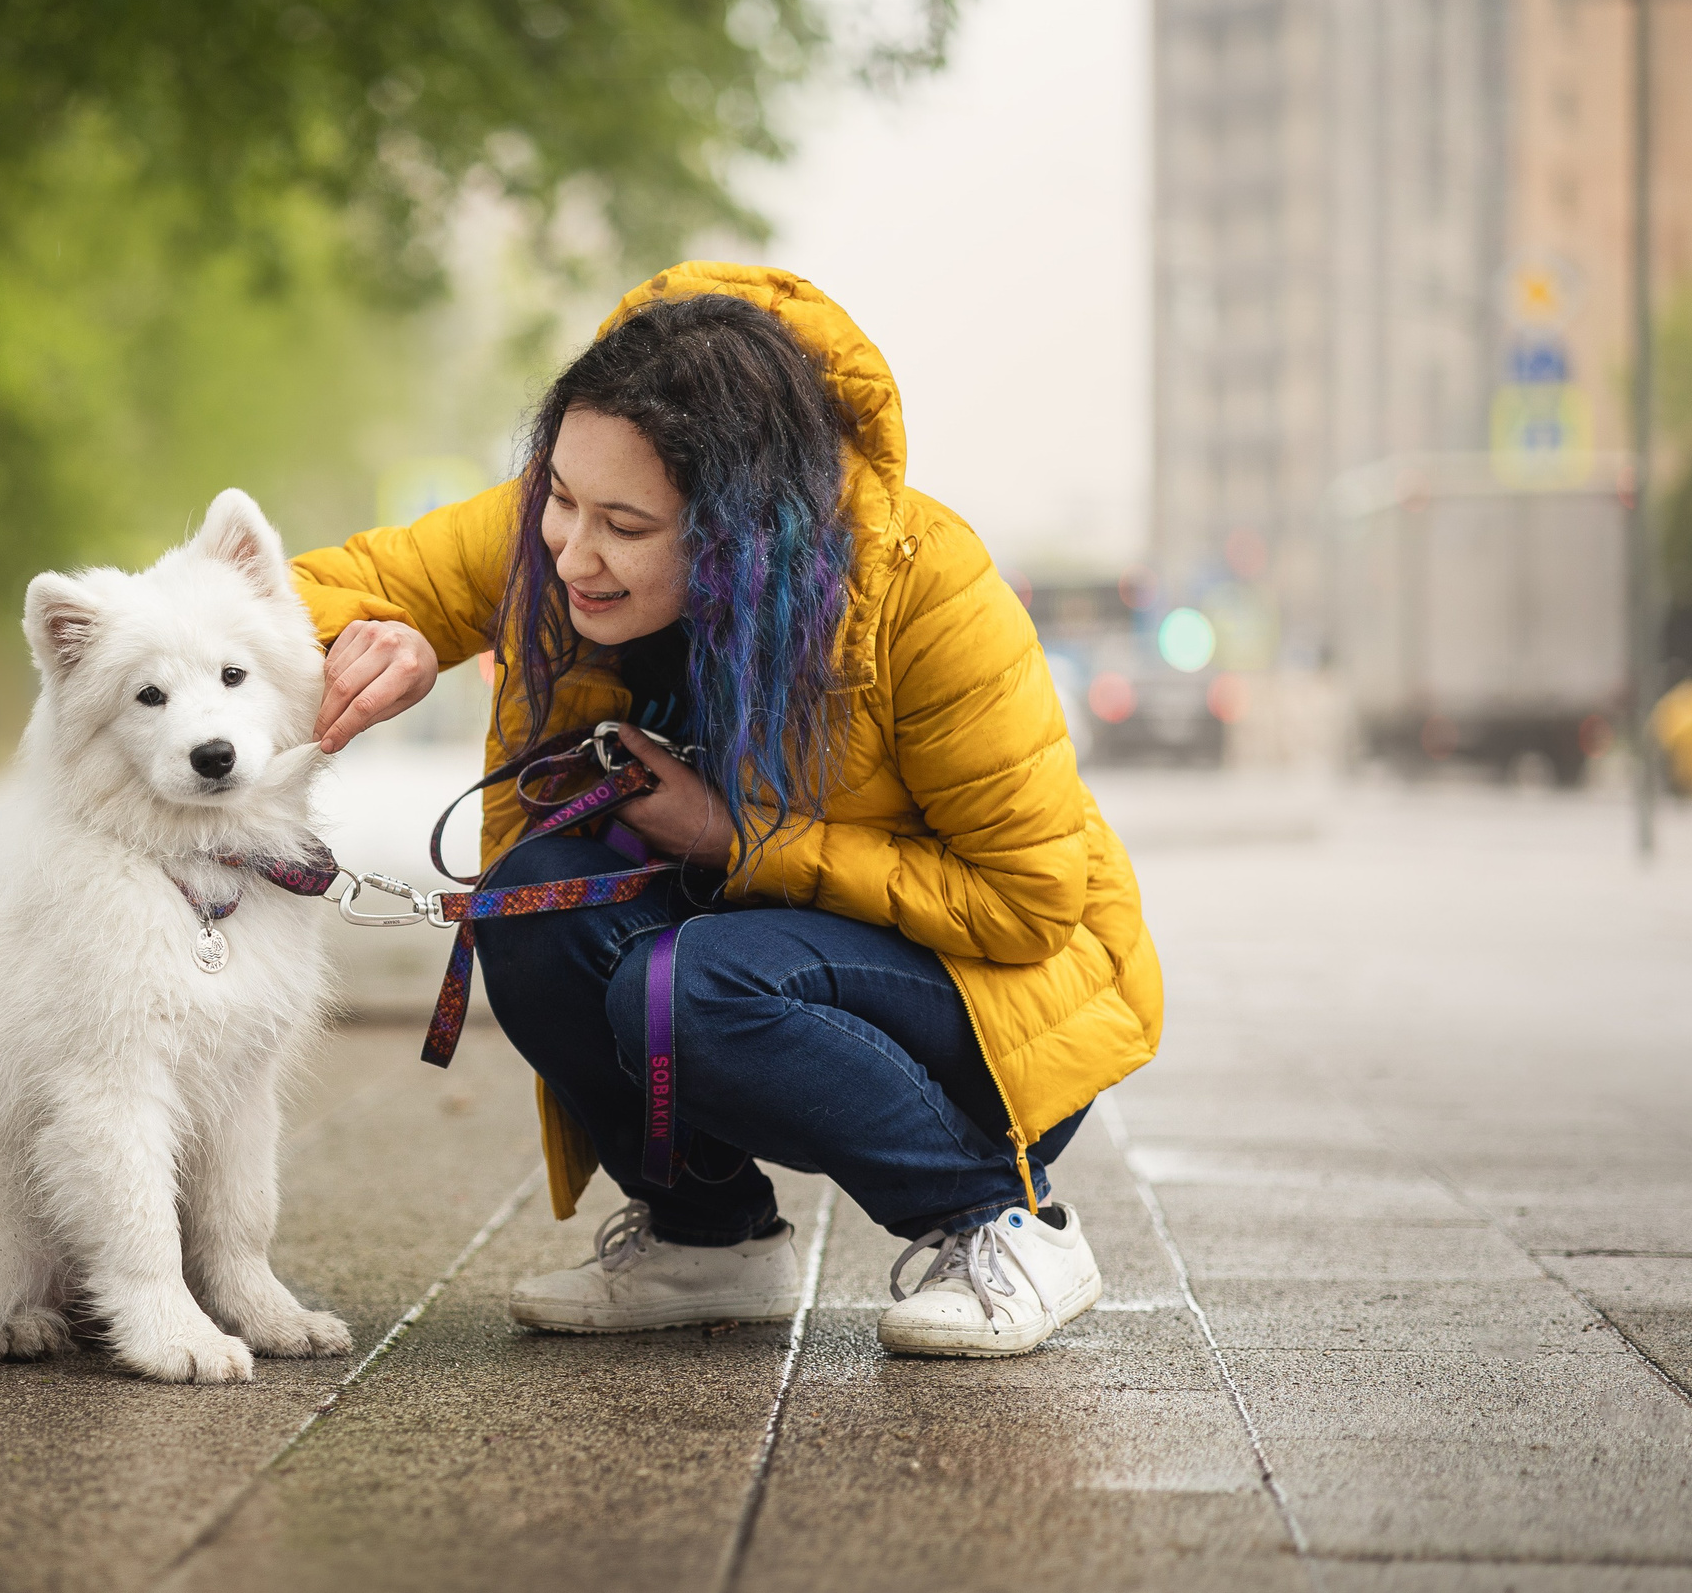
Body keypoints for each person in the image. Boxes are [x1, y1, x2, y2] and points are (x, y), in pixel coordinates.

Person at [289, 264, 1162, 1358]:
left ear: (743, 532)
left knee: (692, 983)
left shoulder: (923, 587)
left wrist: (737, 839)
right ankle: (709, 1240)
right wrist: (382, 632)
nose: (568, 549)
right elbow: (302, 589)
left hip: (985, 1003)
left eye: (623, 525)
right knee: (531, 904)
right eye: (556, 497)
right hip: (747, 952)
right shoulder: (556, 527)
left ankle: (1002, 1223)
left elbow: (1029, 906)